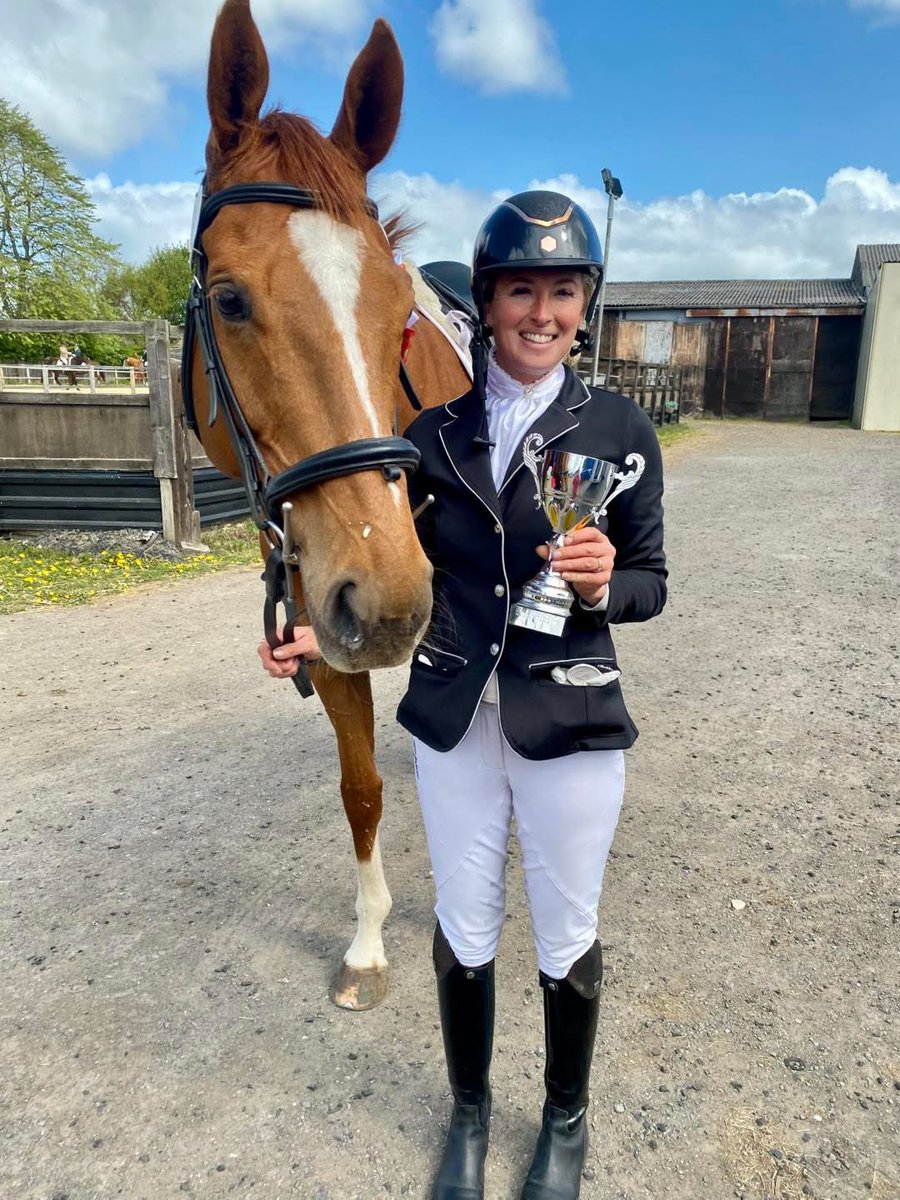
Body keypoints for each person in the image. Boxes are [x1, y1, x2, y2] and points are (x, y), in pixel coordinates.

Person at [259, 190, 667, 1200]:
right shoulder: (429, 440)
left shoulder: (621, 430)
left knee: (566, 934)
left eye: (562, 291)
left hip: (570, 712)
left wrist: (607, 581)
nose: (541, 311)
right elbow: (389, 565)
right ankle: (471, 1116)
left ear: (585, 304)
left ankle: (564, 1124)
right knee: (466, 930)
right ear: (486, 302)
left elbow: (653, 582)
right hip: (455, 721)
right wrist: (318, 635)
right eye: (520, 290)